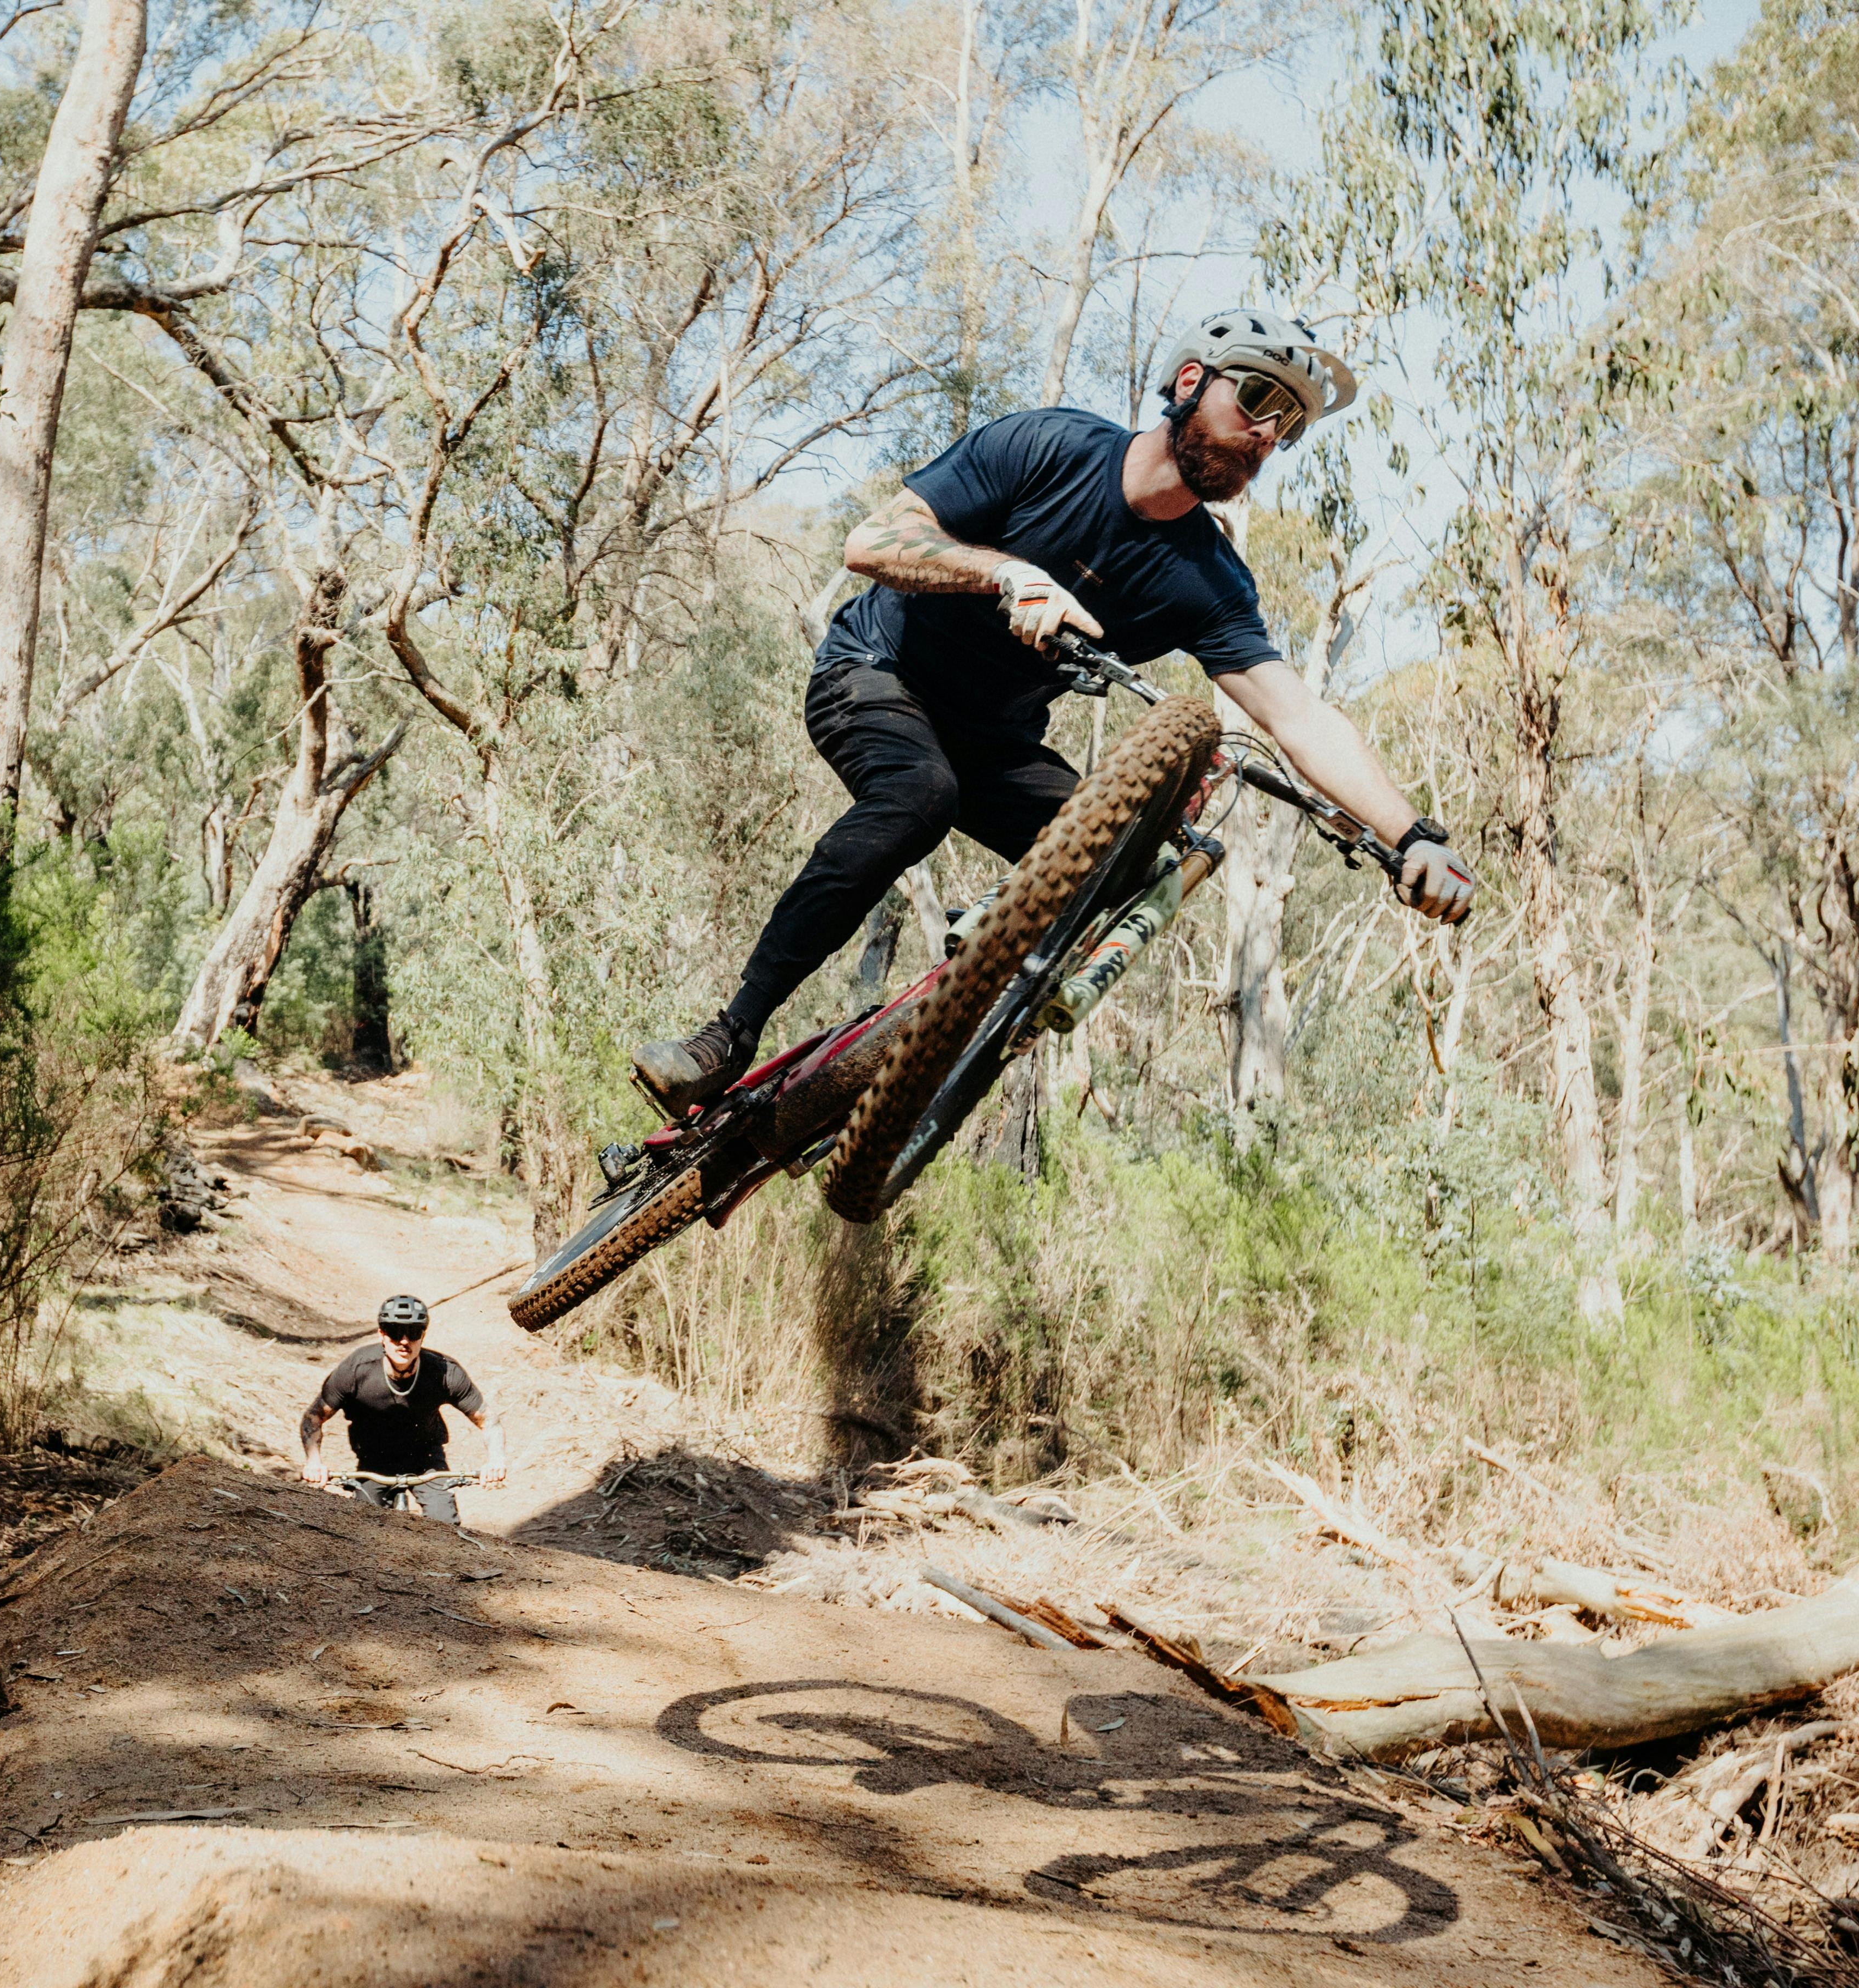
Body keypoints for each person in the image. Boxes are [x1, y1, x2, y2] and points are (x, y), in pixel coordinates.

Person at [631, 306, 1479, 1113]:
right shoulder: (1049, 446)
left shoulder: (1210, 582)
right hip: (878, 673)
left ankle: (955, 1014)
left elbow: (1299, 718)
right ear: (1191, 381)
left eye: (1288, 426)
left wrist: (1412, 837)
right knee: (920, 795)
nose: (1268, 434)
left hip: (992, 741)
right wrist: (1003, 573)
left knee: (1143, 864)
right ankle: (725, 1039)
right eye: (1257, 400)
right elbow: (873, 542)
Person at [300, 1295, 506, 1524]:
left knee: (445, 1525)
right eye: (395, 1332)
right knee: (363, 1525)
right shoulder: (356, 1370)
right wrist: (314, 1462)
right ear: (382, 1335)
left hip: (427, 1460)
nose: (404, 1342)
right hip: (374, 1459)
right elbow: (314, 1417)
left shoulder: (445, 1372)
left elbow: (488, 1420)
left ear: (423, 1336)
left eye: (414, 1333)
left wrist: (495, 1462)